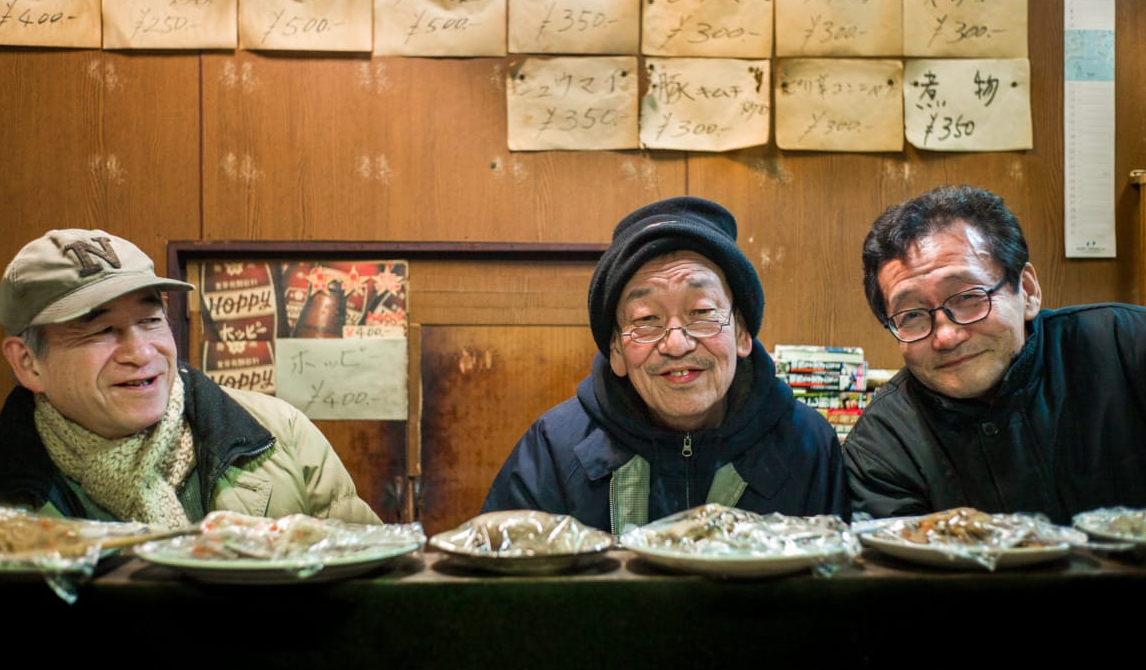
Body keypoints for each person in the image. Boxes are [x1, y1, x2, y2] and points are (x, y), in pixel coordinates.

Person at [0, 228, 381, 527]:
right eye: (101, 331)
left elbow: (379, 600)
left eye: (151, 320)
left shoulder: (279, 435)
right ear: (27, 363)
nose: (141, 353)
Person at [481, 196, 850, 534]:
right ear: (616, 351)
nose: (676, 344)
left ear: (741, 333)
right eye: (646, 319)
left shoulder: (806, 443)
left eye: (702, 312)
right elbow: (503, 591)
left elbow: (836, 592)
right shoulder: (555, 447)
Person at [843, 185, 1146, 524]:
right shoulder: (884, 442)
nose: (946, 336)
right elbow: (897, 571)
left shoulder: (1127, 346)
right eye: (911, 315)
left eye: (968, 297)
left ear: (1027, 292)